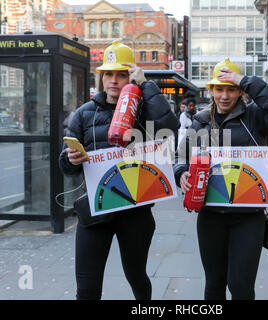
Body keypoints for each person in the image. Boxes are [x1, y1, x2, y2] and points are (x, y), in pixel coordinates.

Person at [59, 40, 180, 300]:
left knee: (136, 277)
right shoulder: (83, 114)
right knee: (88, 289)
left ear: (131, 76)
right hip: (95, 212)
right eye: (109, 74)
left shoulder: (144, 111)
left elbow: (170, 125)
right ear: (101, 77)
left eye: (122, 74)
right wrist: (71, 159)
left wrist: (145, 84)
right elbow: (66, 166)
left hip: (135, 211)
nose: (114, 80)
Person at [174, 58, 268, 300]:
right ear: (211, 91)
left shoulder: (257, 118)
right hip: (210, 217)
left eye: (231, 89)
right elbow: (182, 157)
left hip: (249, 218)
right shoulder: (200, 121)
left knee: (240, 286)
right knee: (214, 284)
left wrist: (246, 81)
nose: (224, 96)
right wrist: (181, 174)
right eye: (219, 89)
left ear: (240, 91)